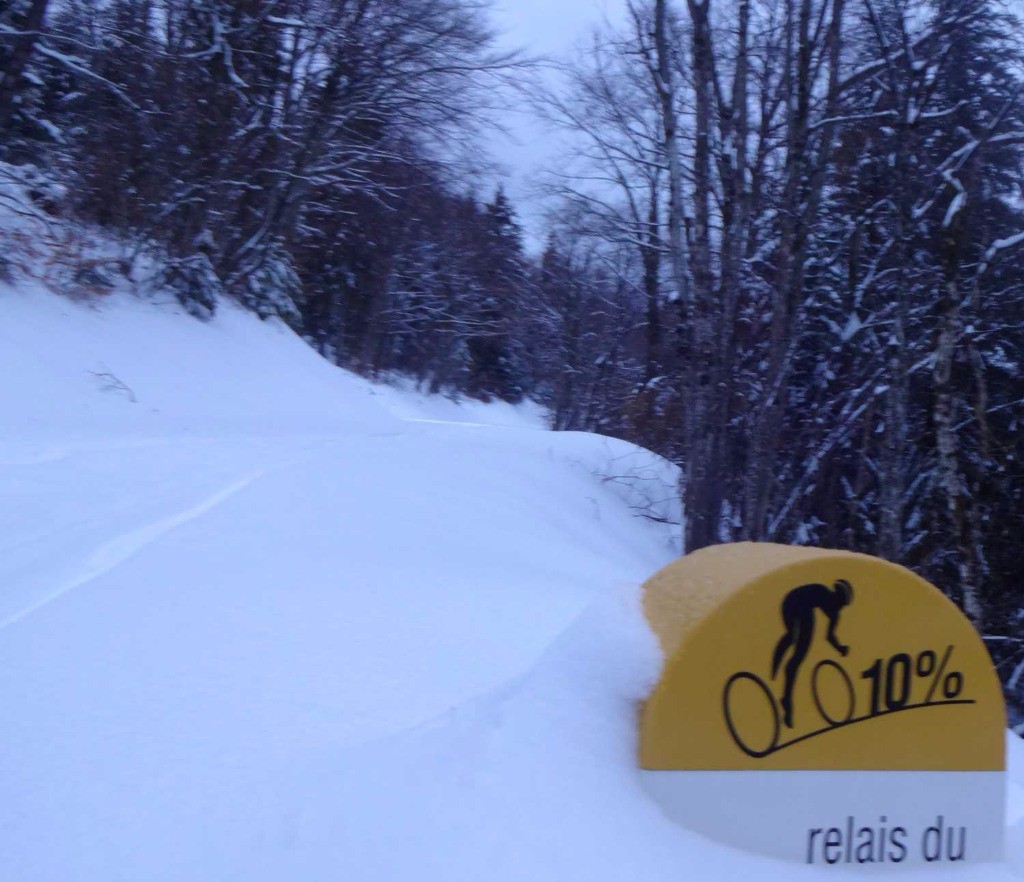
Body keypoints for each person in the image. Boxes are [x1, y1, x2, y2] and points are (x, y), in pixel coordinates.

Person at [770, 579, 853, 727]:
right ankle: (783, 690)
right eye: (839, 601)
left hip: (799, 606)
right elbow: (797, 604)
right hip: (793, 602)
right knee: (794, 637)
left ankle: (786, 698)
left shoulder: (834, 613)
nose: (838, 607)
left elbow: (829, 636)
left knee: (797, 653)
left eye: (842, 605)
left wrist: (840, 648)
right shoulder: (819, 591)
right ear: (835, 594)